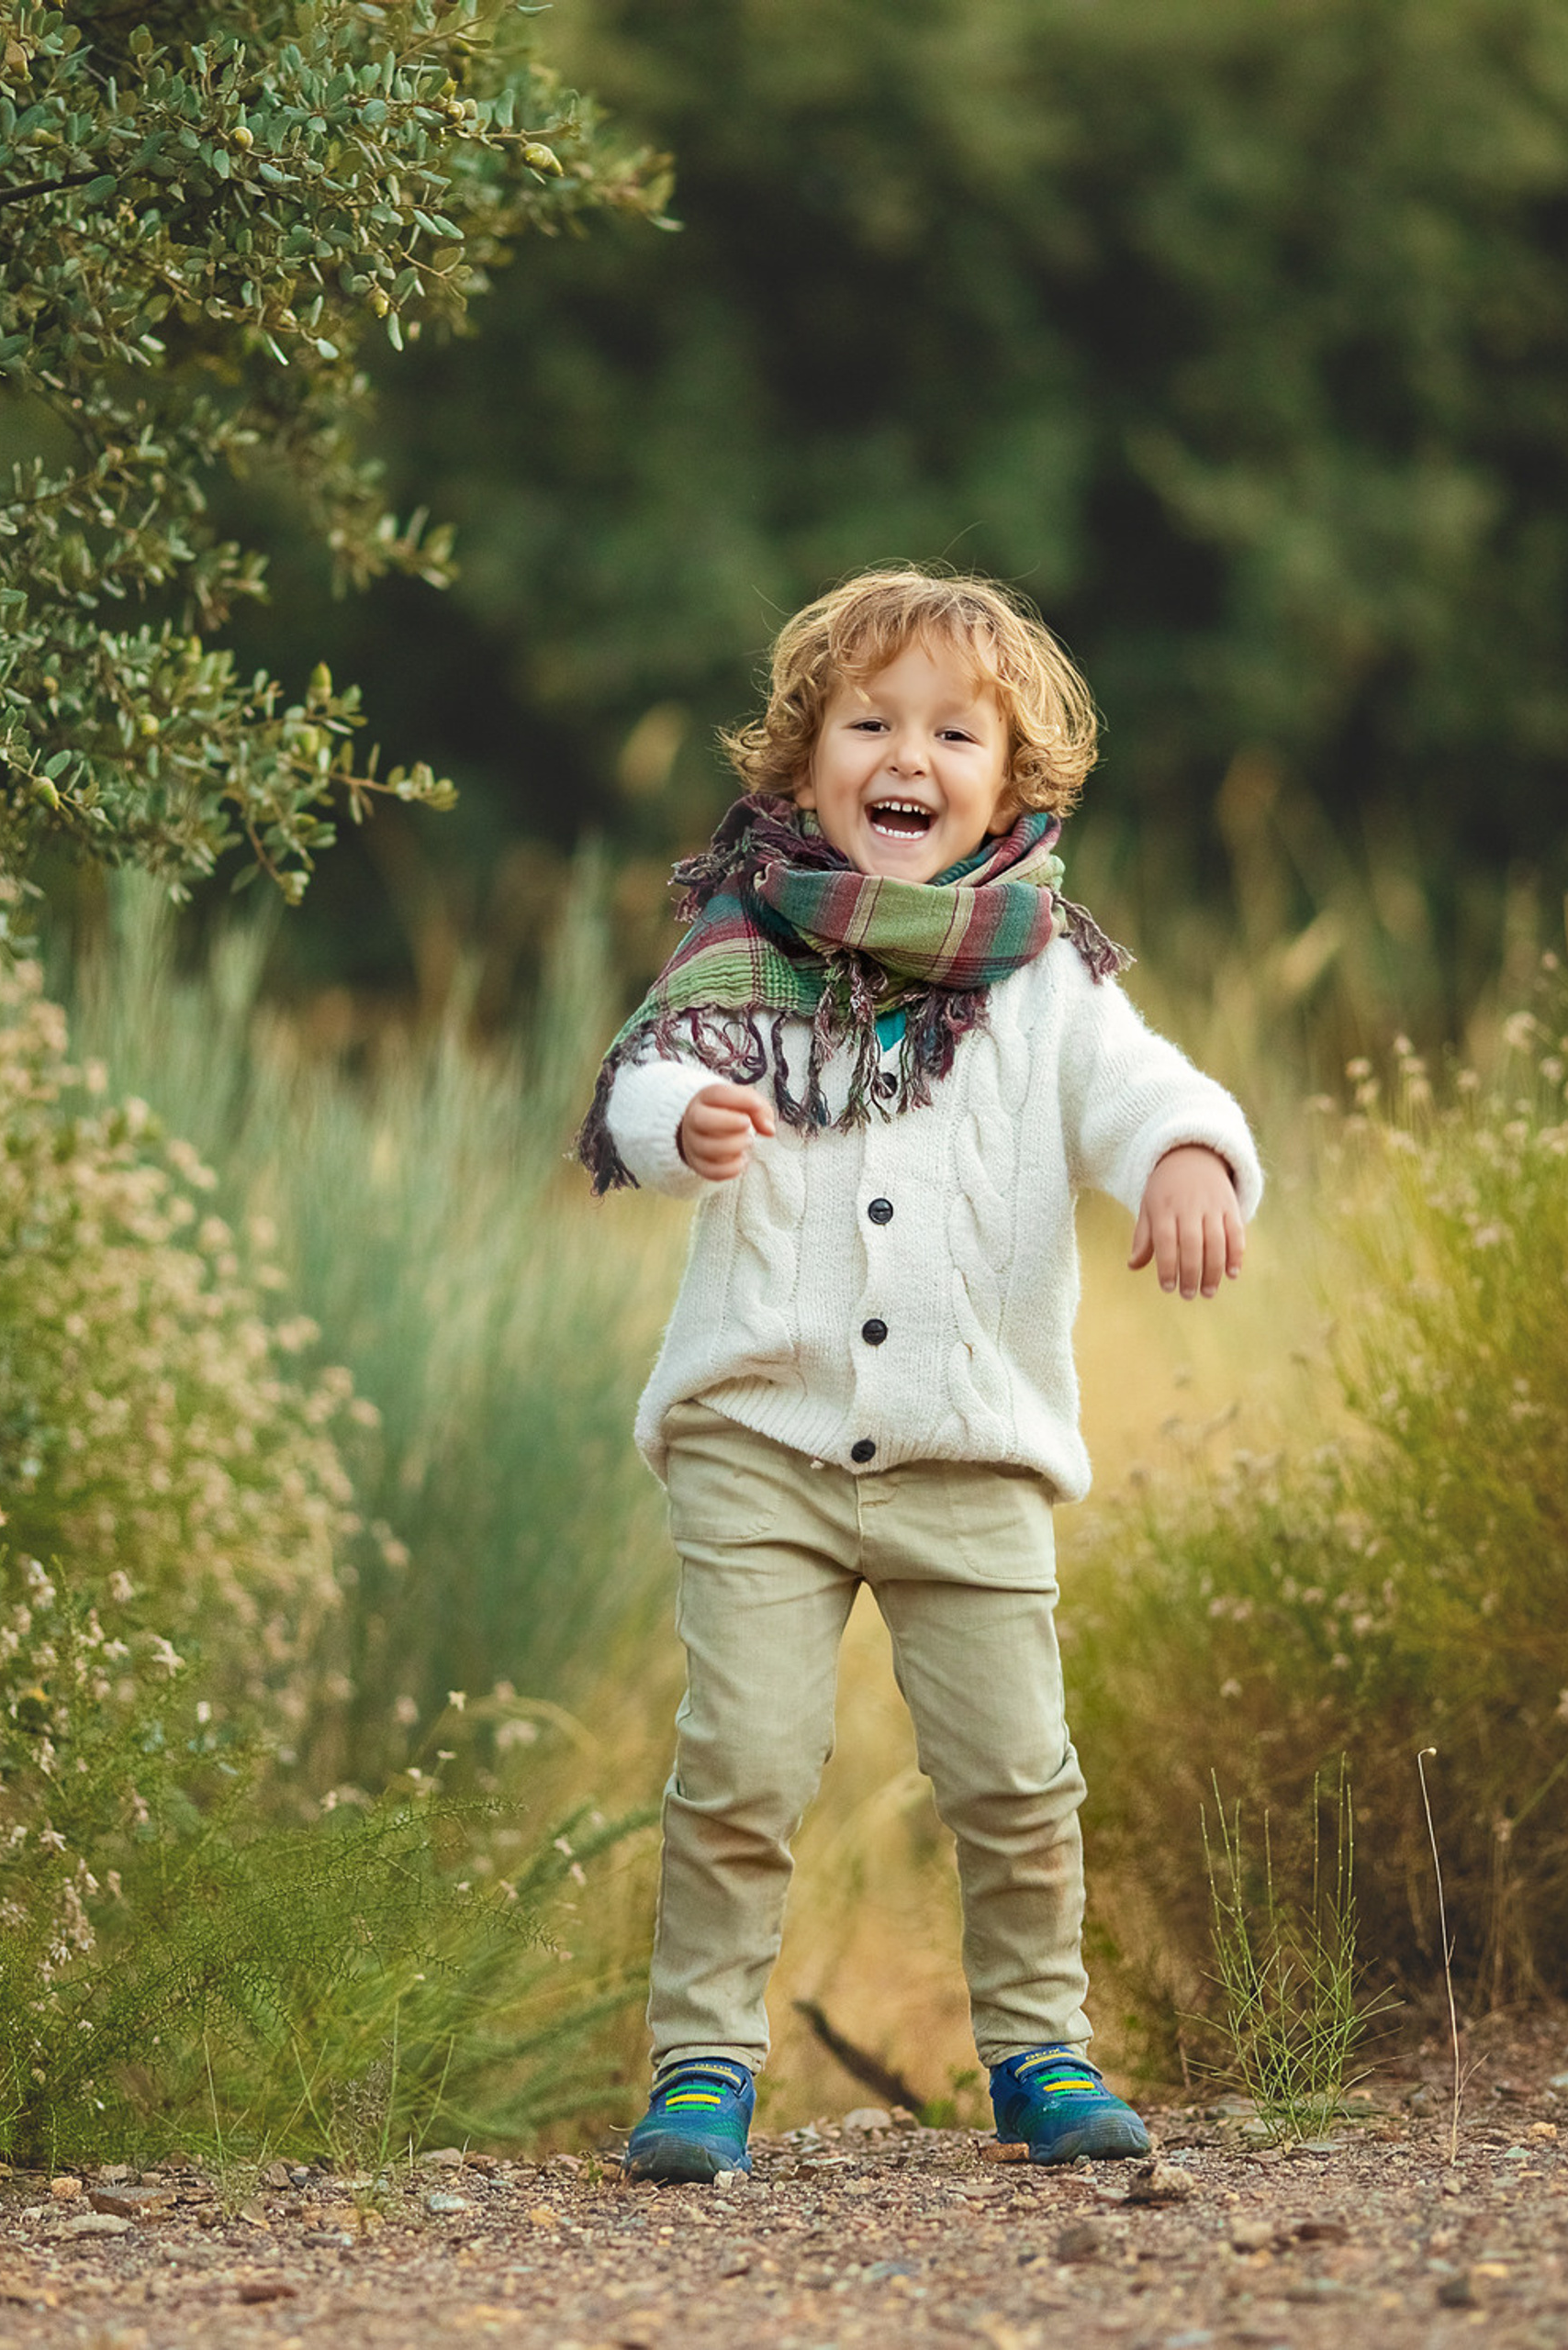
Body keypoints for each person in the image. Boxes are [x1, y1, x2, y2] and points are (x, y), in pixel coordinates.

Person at [577, 567, 1260, 2181]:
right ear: (804, 761)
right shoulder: (742, 946)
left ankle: (1040, 2053)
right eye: (869, 723)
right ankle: (701, 2067)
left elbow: (1144, 1091)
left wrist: (1186, 1156)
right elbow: (643, 1081)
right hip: (761, 1438)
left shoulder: (1049, 979)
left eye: (956, 733)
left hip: (970, 1448)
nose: (909, 755)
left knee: (1017, 1780)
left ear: (1010, 784)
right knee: (743, 1767)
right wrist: (681, 1122)